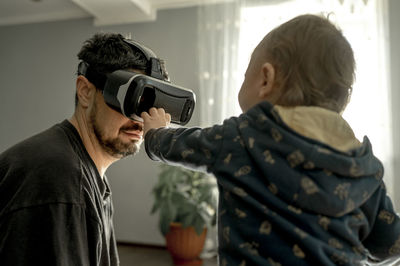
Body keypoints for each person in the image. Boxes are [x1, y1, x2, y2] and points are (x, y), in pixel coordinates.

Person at [141, 14, 400, 265]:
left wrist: (155, 132)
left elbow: (177, 146)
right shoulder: (365, 169)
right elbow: (389, 245)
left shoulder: (242, 136)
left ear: (266, 78)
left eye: (245, 75)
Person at [0, 33, 164, 265]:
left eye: (149, 105)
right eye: (130, 100)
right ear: (86, 92)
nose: (141, 120)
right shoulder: (60, 177)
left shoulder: (85, 171)